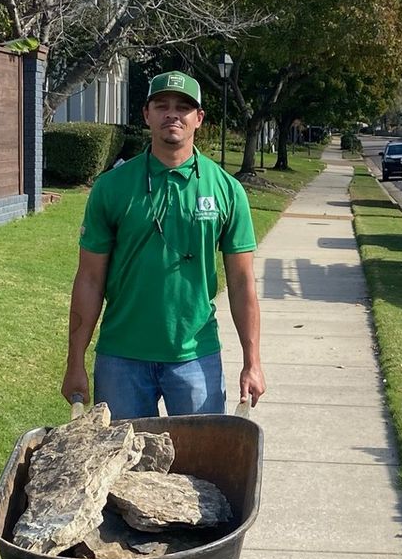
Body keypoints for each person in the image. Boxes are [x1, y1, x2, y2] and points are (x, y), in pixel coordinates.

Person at [62, 71, 265, 417]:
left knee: (201, 466)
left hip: (196, 357)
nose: (173, 114)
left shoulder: (228, 191)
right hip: (121, 358)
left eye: (183, 107)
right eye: (162, 106)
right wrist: (74, 361)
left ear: (198, 118)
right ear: (147, 114)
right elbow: (89, 279)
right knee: (123, 466)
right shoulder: (112, 188)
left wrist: (252, 361)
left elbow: (242, 282)